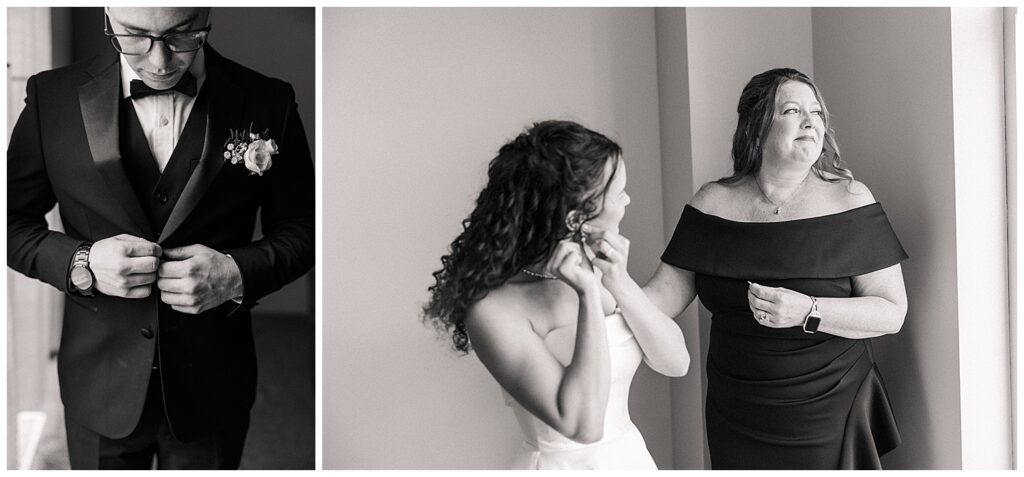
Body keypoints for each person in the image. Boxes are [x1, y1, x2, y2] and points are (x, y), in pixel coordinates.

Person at [7, 7, 314, 469]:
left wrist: (234, 274)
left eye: (182, 34)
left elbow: (304, 228)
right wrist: (82, 262)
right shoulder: (51, 96)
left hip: (214, 383)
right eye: (133, 36)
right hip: (97, 383)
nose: (159, 60)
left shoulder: (268, 99)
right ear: (108, 16)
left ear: (207, 15)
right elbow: (10, 221)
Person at [606, 67, 906, 469]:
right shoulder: (711, 203)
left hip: (828, 406)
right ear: (757, 127)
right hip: (737, 408)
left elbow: (891, 312)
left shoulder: (850, 200)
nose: (809, 121)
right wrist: (601, 286)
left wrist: (808, 311)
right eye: (792, 110)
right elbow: (662, 295)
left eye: (816, 113)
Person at [422, 120, 689, 469]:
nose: (628, 200)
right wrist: (589, 296)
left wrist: (619, 282)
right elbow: (583, 425)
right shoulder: (491, 310)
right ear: (578, 218)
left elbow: (676, 362)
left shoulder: (601, 266)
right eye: (619, 192)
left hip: (629, 460)